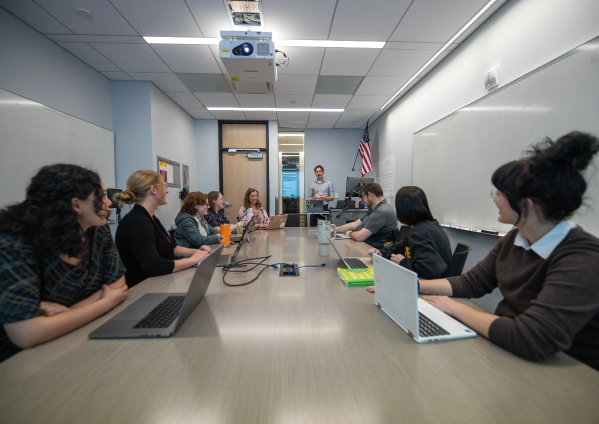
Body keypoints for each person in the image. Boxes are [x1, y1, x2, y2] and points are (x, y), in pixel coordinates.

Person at [416, 132, 599, 370]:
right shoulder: (517, 236)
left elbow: (532, 338)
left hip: (565, 371)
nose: (495, 200)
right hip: (509, 351)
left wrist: (452, 307)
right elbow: (471, 283)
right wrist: (413, 284)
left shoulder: (583, 258)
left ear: (526, 204)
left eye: (500, 193)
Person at [0, 164, 128, 362]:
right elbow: (27, 334)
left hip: (76, 338)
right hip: (24, 360)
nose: (109, 202)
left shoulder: (96, 229)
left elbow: (118, 286)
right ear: (76, 205)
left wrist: (61, 318)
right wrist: (105, 302)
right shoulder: (14, 244)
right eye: (101, 196)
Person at [114, 170, 209, 288]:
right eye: (164, 187)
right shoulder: (137, 222)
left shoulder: (150, 217)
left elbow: (170, 248)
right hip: (143, 290)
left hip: (159, 283)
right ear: (153, 190)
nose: (167, 191)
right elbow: (154, 266)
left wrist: (197, 252)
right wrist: (193, 260)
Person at [368, 186, 452, 279]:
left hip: (433, 285)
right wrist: (381, 253)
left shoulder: (418, 233)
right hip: (443, 281)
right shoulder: (431, 225)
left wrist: (403, 261)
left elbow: (431, 270)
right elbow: (399, 247)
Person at [333, 183, 397, 249]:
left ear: (370, 195)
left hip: (373, 249)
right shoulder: (375, 208)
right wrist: (333, 229)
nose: (363, 201)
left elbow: (359, 237)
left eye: (363, 197)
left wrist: (350, 234)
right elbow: (355, 224)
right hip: (367, 245)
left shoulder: (380, 211)